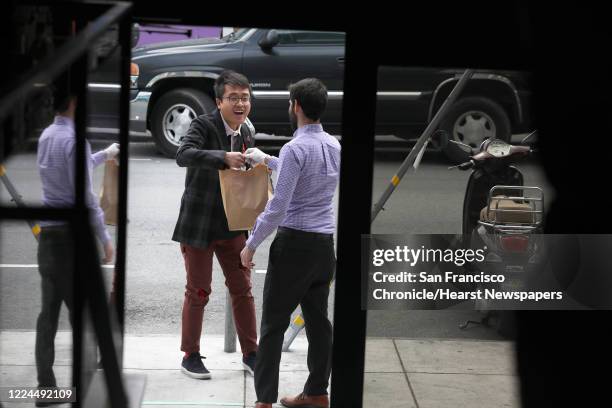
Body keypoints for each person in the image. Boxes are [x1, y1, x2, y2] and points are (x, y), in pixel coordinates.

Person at [241, 78, 340, 408]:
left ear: (296, 105)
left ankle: (264, 401)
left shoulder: (295, 148)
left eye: (289, 102)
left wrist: (251, 243)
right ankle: (316, 392)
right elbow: (305, 175)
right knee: (318, 321)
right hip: (324, 246)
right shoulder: (334, 145)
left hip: (294, 246)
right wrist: (267, 159)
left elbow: (279, 204)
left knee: (272, 326)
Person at [35, 82, 118, 405]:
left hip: (48, 237)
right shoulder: (75, 140)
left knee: (48, 316)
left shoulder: (46, 137)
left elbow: (66, 174)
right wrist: (105, 238)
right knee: (83, 315)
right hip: (72, 240)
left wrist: (103, 155)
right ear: (72, 102)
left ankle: (46, 387)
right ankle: (86, 386)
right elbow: (84, 197)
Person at [172, 70, 258, 380]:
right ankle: (190, 355)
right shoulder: (203, 125)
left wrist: (250, 234)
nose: (240, 104)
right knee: (198, 291)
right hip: (199, 224)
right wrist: (222, 156)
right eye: (233, 98)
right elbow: (183, 155)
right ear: (219, 101)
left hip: (233, 225)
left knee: (243, 289)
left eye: (245, 98)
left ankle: (252, 353)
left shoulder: (246, 131)